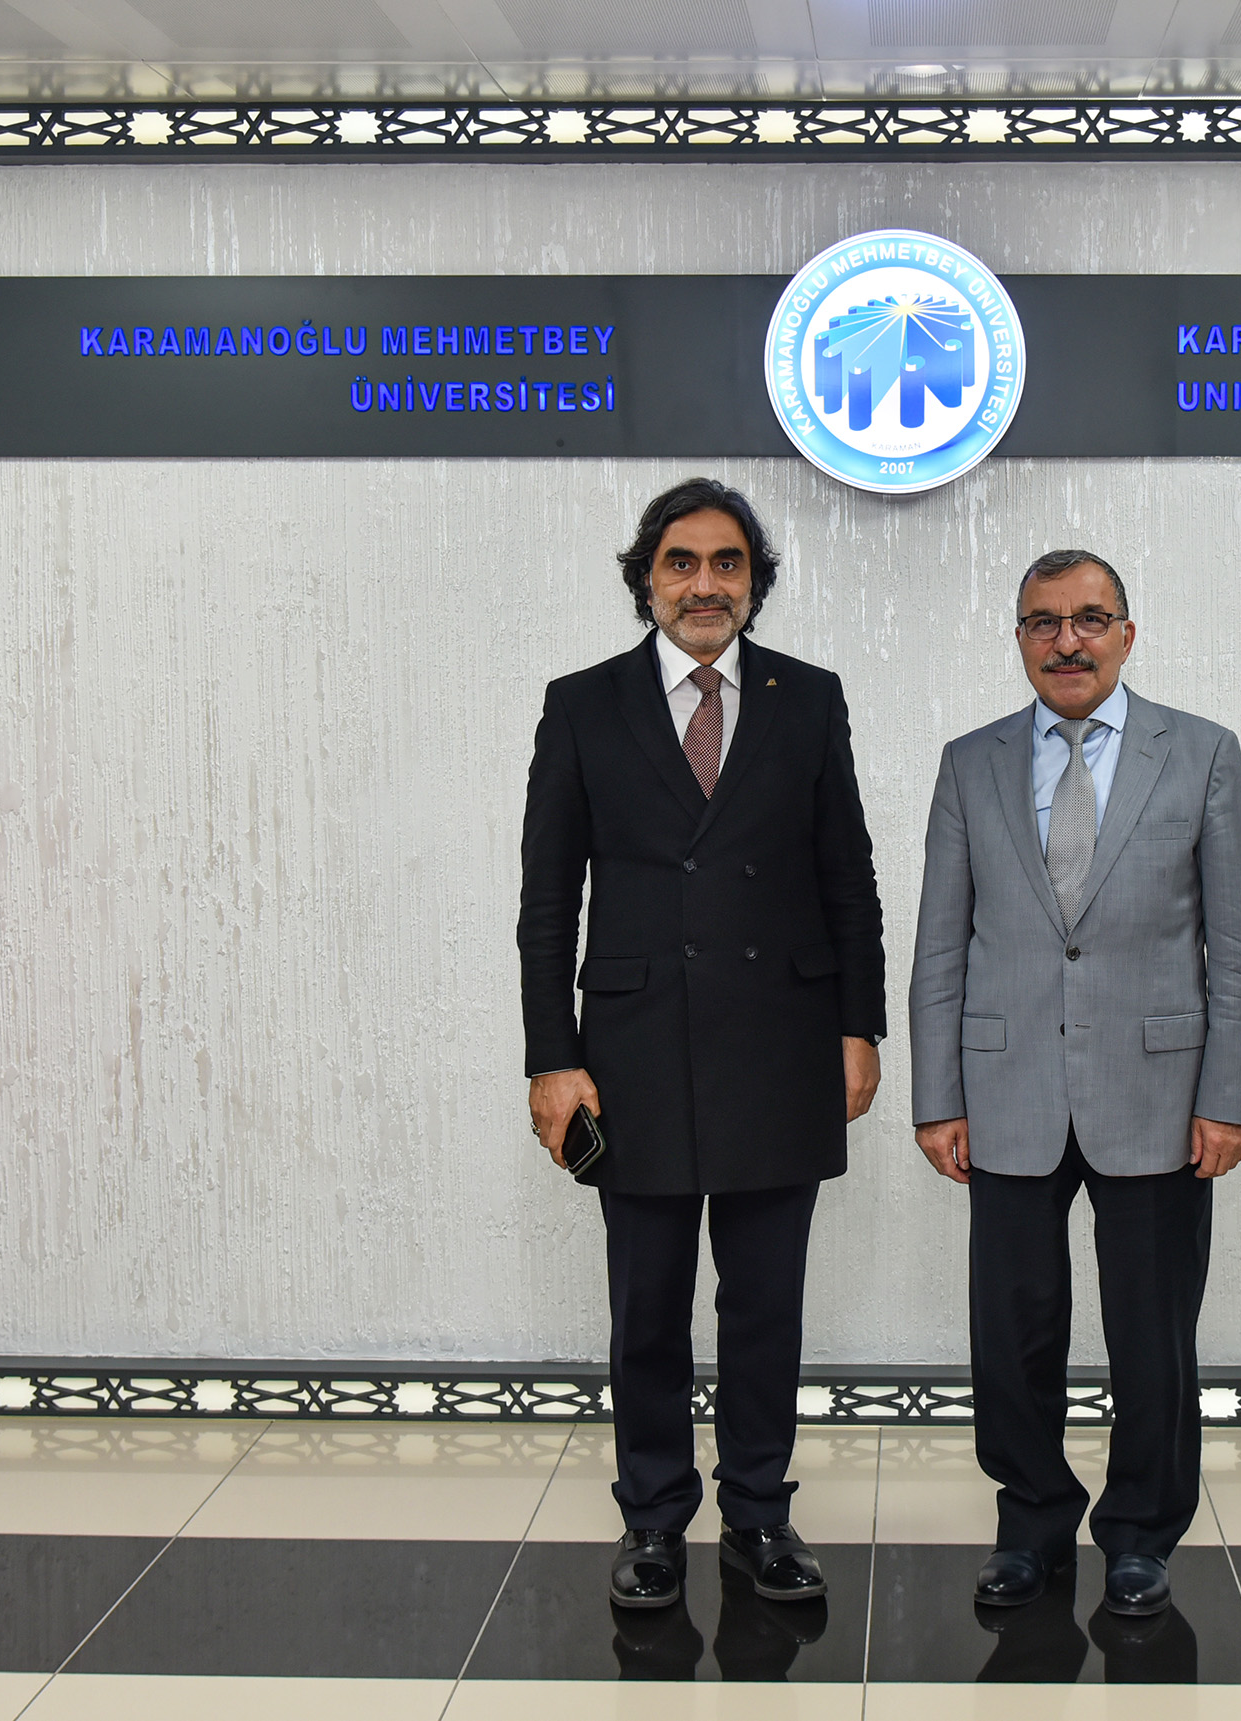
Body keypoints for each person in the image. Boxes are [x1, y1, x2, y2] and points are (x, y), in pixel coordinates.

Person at [519, 477, 887, 1610]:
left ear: (754, 583)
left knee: (766, 1303)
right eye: (681, 562)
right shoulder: (582, 704)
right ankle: (653, 1516)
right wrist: (552, 1056)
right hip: (632, 1053)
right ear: (646, 580)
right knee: (648, 1305)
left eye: (728, 562)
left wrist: (858, 1025)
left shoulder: (807, 698)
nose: (705, 583)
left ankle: (761, 1510)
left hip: (783, 1044)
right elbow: (548, 903)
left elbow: (849, 878)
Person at [908, 548, 1241, 1617]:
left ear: (1126, 633)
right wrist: (937, 1094)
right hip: (1005, 1088)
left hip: (1159, 1093)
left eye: (1090, 619)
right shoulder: (969, 763)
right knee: (1012, 1329)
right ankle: (1029, 1521)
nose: (1067, 640)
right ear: (1020, 637)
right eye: (1043, 622)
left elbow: (1238, 948)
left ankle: (1142, 1532)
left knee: (1152, 1330)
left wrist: (1228, 1096)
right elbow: (940, 946)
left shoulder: (1201, 754)